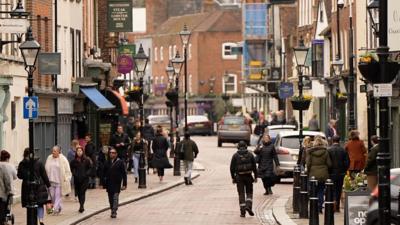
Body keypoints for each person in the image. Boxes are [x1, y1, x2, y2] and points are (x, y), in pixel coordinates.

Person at [17, 148, 51, 225]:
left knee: (30, 205)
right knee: (40, 204)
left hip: (27, 187)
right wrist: (48, 185)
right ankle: (41, 219)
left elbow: (19, 176)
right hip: (39, 186)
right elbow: (44, 174)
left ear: (24, 154)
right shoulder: (39, 162)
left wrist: (26, 176)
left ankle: (32, 220)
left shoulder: (22, 163)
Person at [230, 141, 257, 217]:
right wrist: (255, 176)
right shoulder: (250, 155)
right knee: (249, 193)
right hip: (248, 176)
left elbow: (231, 168)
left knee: (241, 194)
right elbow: (254, 167)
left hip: (239, 177)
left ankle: (242, 212)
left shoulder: (235, 156)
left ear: (238, 147)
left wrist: (233, 177)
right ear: (246, 146)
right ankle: (248, 206)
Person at [306, 136, 332, 213]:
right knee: (321, 190)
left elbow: (308, 163)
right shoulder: (326, 152)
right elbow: (329, 164)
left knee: (313, 191)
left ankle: (314, 207)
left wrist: (309, 171)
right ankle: (320, 207)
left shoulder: (310, 152)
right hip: (323, 174)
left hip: (313, 174)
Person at [45, 145, 72, 215]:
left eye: (55, 151)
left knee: (58, 196)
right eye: (52, 151)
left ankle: (54, 210)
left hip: (60, 182)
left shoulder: (63, 159)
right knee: (53, 197)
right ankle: (59, 207)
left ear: (58, 152)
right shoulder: (49, 158)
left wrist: (67, 178)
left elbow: (67, 170)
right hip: (51, 181)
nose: (53, 152)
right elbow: (46, 169)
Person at [103, 147, 127, 218]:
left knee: (115, 197)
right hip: (109, 183)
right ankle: (112, 209)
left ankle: (114, 211)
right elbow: (103, 173)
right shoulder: (107, 162)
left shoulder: (120, 162)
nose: (111, 154)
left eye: (113, 153)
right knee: (110, 198)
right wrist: (103, 183)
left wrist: (124, 184)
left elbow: (124, 174)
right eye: (110, 153)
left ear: (116, 154)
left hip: (117, 183)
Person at [327, 135, 350, 212]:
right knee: (339, 189)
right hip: (341, 173)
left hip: (331, 173)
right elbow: (347, 162)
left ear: (333, 141)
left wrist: (329, 170)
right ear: (339, 141)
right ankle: (337, 206)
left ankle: (332, 204)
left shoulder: (329, 150)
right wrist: (344, 170)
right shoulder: (343, 150)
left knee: (331, 189)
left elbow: (327, 162)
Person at [70, 146, 93, 213]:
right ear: (76, 152)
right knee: (79, 193)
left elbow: (90, 168)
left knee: (82, 192)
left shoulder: (86, 160)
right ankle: (81, 204)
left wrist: (87, 174)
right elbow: (71, 168)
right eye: (78, 151)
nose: (79, 152)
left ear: (82, 152)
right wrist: (74, 173)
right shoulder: (74, 161)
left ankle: (81, 206)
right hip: (77, 180)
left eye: (80, 151)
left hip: (85, 179)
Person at [0, 157, 11, 224]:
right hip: (1, 194)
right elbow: (7, 180)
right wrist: (9, 190)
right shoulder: (2, 166)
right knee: (2, 210)